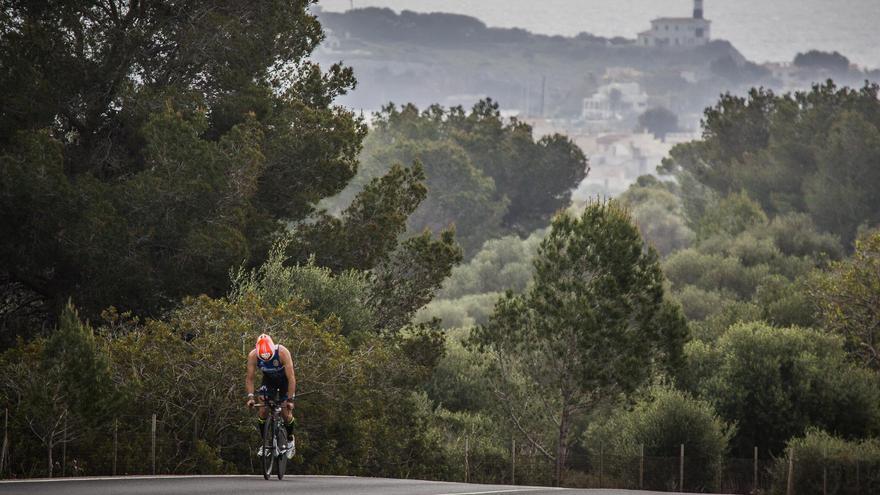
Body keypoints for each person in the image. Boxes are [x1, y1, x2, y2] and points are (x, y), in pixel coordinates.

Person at [246, 333, 297, 458]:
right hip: (268, 381)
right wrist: (251, 397)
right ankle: (265, 443)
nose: (266, 361)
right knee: (263, 411)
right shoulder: (253, 356)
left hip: (284, 381)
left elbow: (291, 378)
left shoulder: (282, 352)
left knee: (285, 413)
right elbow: (250, 378)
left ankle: (290, 440)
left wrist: (290, 400)